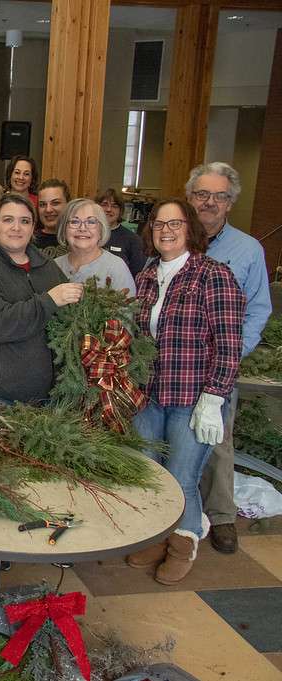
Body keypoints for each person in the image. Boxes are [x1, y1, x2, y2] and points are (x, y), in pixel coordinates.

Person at [125, 199, 244, 585]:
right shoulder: (146, 275)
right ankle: (157, 537)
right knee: (150, 472)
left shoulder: (213, 276)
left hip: (191, 398)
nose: (166, 230)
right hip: (149, 396)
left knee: (181, 476)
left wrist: (213, 398)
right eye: (159, 224)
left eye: (175, 223)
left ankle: (183, 543)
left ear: (190, 228)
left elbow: (229, 345)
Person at [186, 162, 271, 556]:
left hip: (218, 365)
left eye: (219, 196)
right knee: (172, 439)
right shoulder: (174, 238)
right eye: (202, 194)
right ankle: (177, 518)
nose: (209, 202)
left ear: (230, 202)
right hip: (174, 364)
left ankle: (221, 517)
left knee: (218, 441)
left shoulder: (247, 249)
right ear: (190, 198)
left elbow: (258, 309)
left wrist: (234, 353)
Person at [0, 194, 80, 405]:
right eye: (8, 220)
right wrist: (49, 300)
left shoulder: (47, 266)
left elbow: (66, 318)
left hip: (44, 394)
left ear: (33, 228)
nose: (17, 227)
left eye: (25, 221)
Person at [54, 198, 135, 295]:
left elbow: (129, 308)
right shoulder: (55, 266)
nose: (82, 228)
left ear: (101, 229)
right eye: (74, 222)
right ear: (64, 229)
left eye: (91, 222)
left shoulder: (116, 267)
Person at [95, 188, 146, 276]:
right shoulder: (87, 235)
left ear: (121, 210)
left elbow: (137, 275)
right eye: (104, 204)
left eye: (114, 206)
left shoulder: (133, 240)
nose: (109, 209)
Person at [34, 178, 70, 250]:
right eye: (42, 204)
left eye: (55, 203)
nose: (48, 210)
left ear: (68, 204)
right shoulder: (29, 242)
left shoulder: (78, 239)